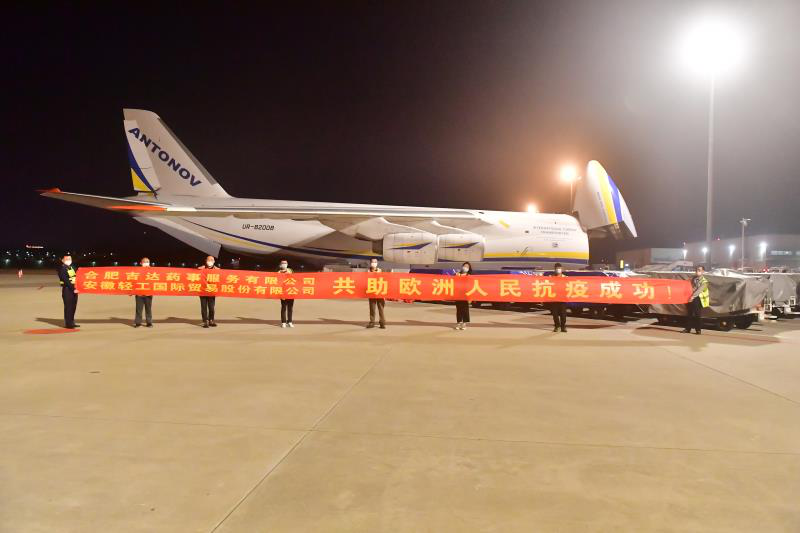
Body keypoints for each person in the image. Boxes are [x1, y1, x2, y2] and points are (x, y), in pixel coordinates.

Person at [683, 265, 710, 334]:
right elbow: (688, 286)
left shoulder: (704, 281)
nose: (697, 271)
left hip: (698, 299)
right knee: (689, 314)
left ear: (703, 271)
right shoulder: (693, 278)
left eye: (699, 270)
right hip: (690, 297)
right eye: (697, 270)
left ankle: (698, 330)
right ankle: (687, 329)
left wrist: (692, 297)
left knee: (697, 314)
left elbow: (699, 290)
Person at [57, 254, 79, 329]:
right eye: (67, 259)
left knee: (73, 307)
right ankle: (68, 324)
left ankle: (72, 322)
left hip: (74, 290)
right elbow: (66, 281)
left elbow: (78, 275)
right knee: (68, 307)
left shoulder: (72, 267)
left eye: (70, 259)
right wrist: (73, 289)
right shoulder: (62, 269)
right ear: (63, 260)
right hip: (67, 290)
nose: (69, 260)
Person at [199, 255, 219, 328]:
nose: (209, 261)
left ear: (214, 261)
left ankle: (211, 320)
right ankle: (205, 321)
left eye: (211, 260)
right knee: (204, 307)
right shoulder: (201, 269)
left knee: (211, 307)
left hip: (212, 291)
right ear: (206, 261)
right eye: (208, 260)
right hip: (203, 291)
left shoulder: (217, 270)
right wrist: (198, 269)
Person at [366, 258, 386, 329]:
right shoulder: (368, 271)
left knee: (381, 308)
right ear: (370, 263)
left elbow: (385, 280)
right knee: (372, 308)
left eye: (375, 262)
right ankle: (372, 322)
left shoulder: (380, 271)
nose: (374, 263)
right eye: (373, 262)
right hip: (372, 292)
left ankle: (382, 323)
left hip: (380, 292)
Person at [134, 257, 154, 328]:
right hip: (139, 293)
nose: (146, 263)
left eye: (147, 262)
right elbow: (133, 281)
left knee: (148, 309)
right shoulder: (137, 271)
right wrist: (131, 291)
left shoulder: (153, 271)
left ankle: (149, 322)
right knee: (138, 309)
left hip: (148, 293)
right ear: (141, 263)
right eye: (144, 262)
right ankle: (138, 323)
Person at [550, 263, 567, 332]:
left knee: (563, 314)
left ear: (562, 269)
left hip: (562, 298)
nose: (558, 270)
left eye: (559, 268)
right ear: (554, 269)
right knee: (555, 314)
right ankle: (557, 326)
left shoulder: (565, 277)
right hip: (554, 298)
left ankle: (563, 327)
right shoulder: (551, 277)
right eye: (557, 268)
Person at [454, 262, 472, 330]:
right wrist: (456, 276)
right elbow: (453, 282)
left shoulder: (469, 276)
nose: (465, 267)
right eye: (464, 266)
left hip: (466, 294)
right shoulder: (457, 274)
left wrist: (470, 297)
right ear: (462, 266)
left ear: (469, 268)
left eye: (467, 267)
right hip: (458, 294)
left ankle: (464, 324)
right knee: (459, 309)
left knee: (465, 309)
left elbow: (471, 286)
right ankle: (458, 322)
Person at [277, 259, 295, 328]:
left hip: (291, 291)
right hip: (283, 291)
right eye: (283, 263)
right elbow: (277, 282)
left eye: (285, 263)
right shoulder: (278, 272)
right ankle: (283, 322)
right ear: (280, 265)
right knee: (284, 307)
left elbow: (295, 278)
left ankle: (290, 322)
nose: (284, 264)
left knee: (290, 308)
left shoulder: (290, 270)